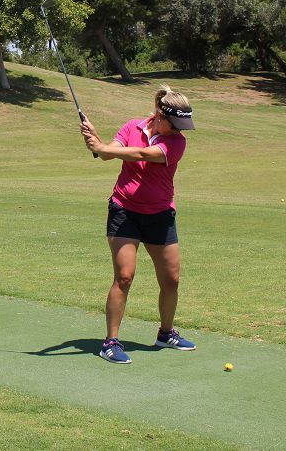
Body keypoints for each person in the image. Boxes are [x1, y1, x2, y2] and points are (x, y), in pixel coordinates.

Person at [81, 85, 196, 365]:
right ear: (160, 114)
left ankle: (166, 333)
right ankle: (110, 342)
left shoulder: (177, 142)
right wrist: (97, 142)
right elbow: (110, 154)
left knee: (172, 280)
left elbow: (143, 155)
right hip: (124, 211)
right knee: (124, 276)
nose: (179, 129)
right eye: (176, 123)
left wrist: (103, 148)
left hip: (160, 215)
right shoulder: (132, 127)